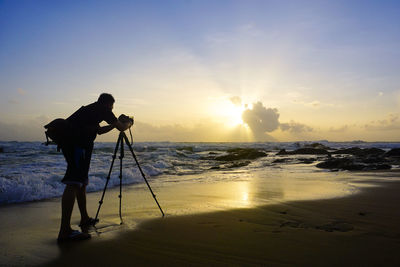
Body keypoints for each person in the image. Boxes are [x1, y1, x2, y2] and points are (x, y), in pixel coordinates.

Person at [57, 93, 132, 243]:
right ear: (108, 104)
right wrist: (129, 122)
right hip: (77, 146)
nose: (112, 110)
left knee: (82, 182)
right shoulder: (103, 109)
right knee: (73, 183)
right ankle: (64, 231)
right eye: (112, 107)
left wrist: (113, 123)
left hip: (77, 145)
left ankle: (84, 218)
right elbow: (122, 127)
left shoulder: (91, 110)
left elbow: (99, 131)